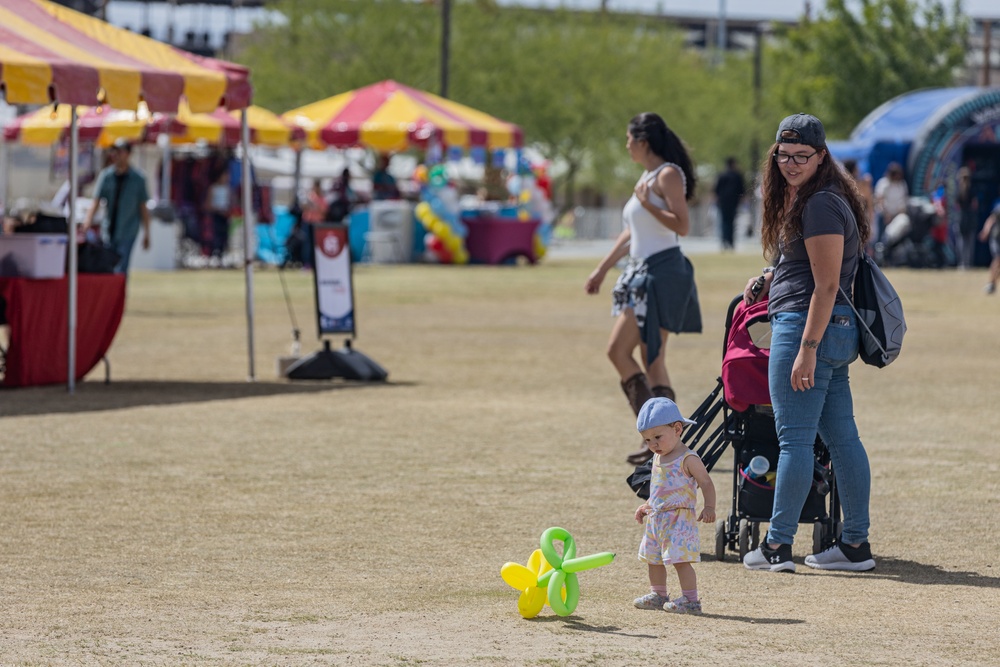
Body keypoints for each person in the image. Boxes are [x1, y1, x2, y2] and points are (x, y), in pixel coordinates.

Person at [741, 113, 876, 573]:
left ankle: (777, 547)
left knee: (794, 441)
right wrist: (768, 277)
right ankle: (854, 545)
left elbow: (825, 284)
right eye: (784, 155)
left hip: (809, 327)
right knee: (842, 440)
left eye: (803, 156)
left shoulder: (820, 204)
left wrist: (807, 348)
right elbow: (803, 266)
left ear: (822, 157)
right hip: (831, 331)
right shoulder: (814, 199)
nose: (791, 164)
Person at [585, 112, 701, 465]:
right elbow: (631, 234)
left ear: (643, 141)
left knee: (624, 353)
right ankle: (662, 439)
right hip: (642, 274)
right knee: (649, 361)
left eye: (628, 139)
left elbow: (682, 224)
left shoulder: (666, 175)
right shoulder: (648, 177)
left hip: (662, 274)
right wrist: (602, 268)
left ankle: (659, 437)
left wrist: (649, 203)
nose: (626, 146)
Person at [632, 397, 716, 615]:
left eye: (657, 437)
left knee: (680, 561)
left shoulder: (688, 459)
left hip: (679, 520)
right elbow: (659, 489)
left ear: (677, 428)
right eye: (647, 440)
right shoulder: (658, 458)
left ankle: (691, 600)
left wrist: (709, 507)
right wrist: (647, 505)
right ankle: (658, 595)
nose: (653, 445)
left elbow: (706, 482)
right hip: (657, 519)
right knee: (654, 559)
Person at [82, 138, 150, 275]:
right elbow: (96, 201)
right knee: (107, 268)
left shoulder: (138, 179)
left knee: (121, 269)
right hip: (108, 230)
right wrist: (87, 222)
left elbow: (143, 207)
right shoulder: (106, 176)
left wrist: (147, 233)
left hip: (128, 230)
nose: (116, 155)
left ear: (128, 154)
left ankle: (120, 296)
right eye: (115, 152)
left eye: (120, 152)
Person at [714, 156, 745, 250]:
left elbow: (716, 190)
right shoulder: (737, 176)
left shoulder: (722, 175)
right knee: (731, 222)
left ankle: (724, 240)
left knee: (723, 221)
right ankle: (730, 241)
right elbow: (741, 190)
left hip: (723, 202)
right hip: (733, 202)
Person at [873, 161, 908, 243]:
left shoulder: (902, 184)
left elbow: (904, 198)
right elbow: (879, 199)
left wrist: (900, 212)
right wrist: (886, 214)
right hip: (884, 215)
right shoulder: (883, 183)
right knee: (880, 237)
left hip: (897, 215)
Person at [204, 165, 232, 264]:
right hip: (216, 216)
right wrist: (218, 210)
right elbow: (207, 205)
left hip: (225, 216)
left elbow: (230, 202)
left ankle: (222, 256)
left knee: (225, 236)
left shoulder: (227, 188)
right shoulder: (213, 188)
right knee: (216, 237)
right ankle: (214, 256)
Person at [955, 167, 978, 270]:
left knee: (962, 243)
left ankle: (963, 263)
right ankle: (967, 263)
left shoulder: (959, 191)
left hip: (962, 217)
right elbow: (975, 205)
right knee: (968, 243)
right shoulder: (972, 191)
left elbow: (956, 206)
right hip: (968, 218)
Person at [977, 199, 1000, 294]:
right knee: (998, 259)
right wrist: (986, 231)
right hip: (996, 237)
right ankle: (991, 283)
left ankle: (993, 284)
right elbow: (991, 219)